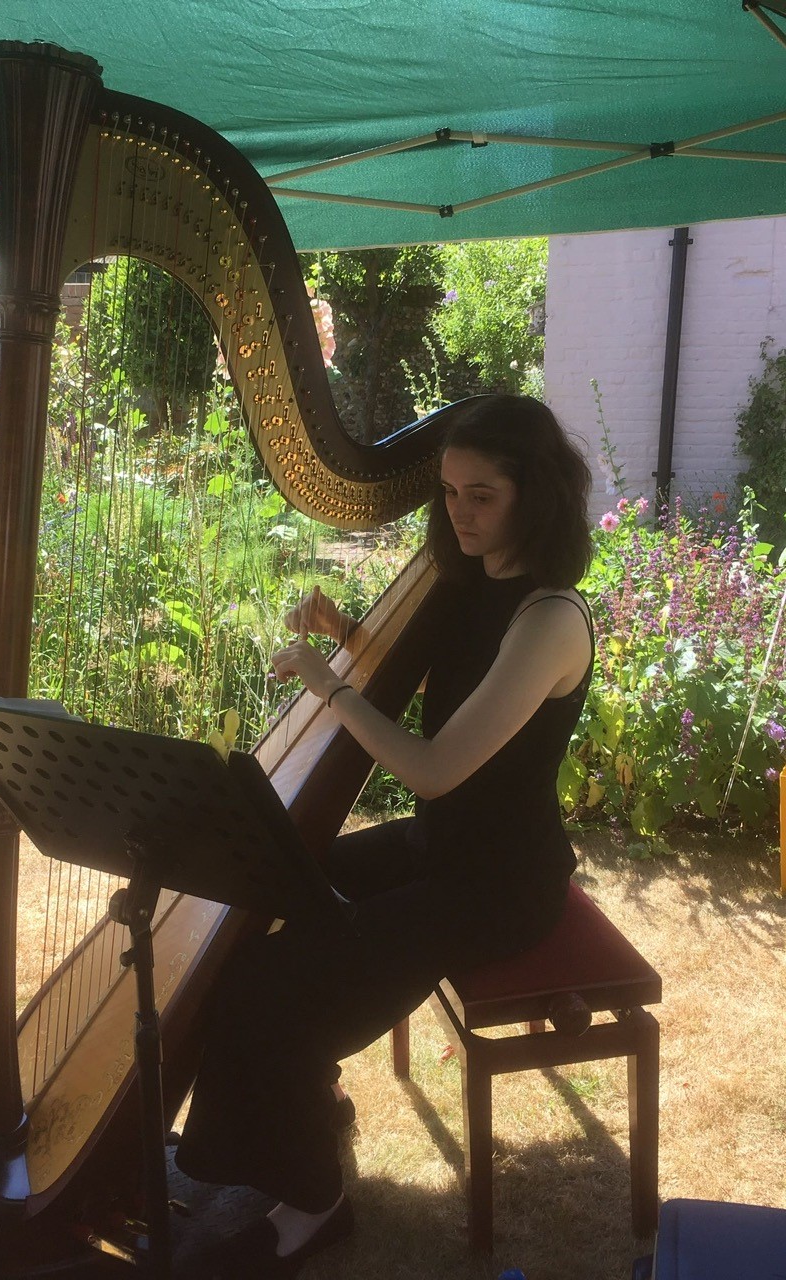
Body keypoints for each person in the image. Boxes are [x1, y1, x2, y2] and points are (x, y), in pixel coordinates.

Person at [175, 393, 594, 1278]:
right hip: (439, 849)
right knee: (258, 887)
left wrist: (332, 687)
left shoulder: (550, 619)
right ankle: (297, 1111)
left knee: (273, 990)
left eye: (482, 495)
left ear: (536, 493)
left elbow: (435, 765)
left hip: (497, 889)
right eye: (448, 494)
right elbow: (442, 682)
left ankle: (313, 1207)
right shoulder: (467, 578)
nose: (460, 514)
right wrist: (351, 636)